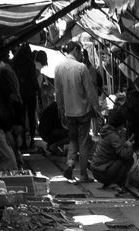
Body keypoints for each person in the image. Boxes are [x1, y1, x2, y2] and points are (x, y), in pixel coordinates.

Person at [53, 41, 99, 181]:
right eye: (80, 53)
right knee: (83, 142)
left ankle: (70, 163)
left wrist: (61, 109)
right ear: (76, 51)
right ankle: (83, 174)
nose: (81, 56)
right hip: (83, 112)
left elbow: (58, 92)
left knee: (73, 139)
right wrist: (97, 110)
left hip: (69, 112)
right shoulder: (81, 67)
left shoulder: (58, 68)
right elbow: (90, 92)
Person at [90, 111, 136, 188]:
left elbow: (117, 147)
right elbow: (124, 154)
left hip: (96, 169)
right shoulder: (113, 136)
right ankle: (118, 183)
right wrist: (132, 147)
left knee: (123, 158)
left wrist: (126, 144)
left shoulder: (106, 131)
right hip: (101, 171)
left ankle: (112, 182)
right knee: (128, 160)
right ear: (120, 124)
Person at [12, 43, 41, 149]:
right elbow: (33, 79)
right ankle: (32, 140)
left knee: (22, 117)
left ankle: (23, 140)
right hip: (30, 93)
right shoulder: (30, 62)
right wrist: (38, 91)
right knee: (31, 116)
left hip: (20, 93)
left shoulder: (15, 62)